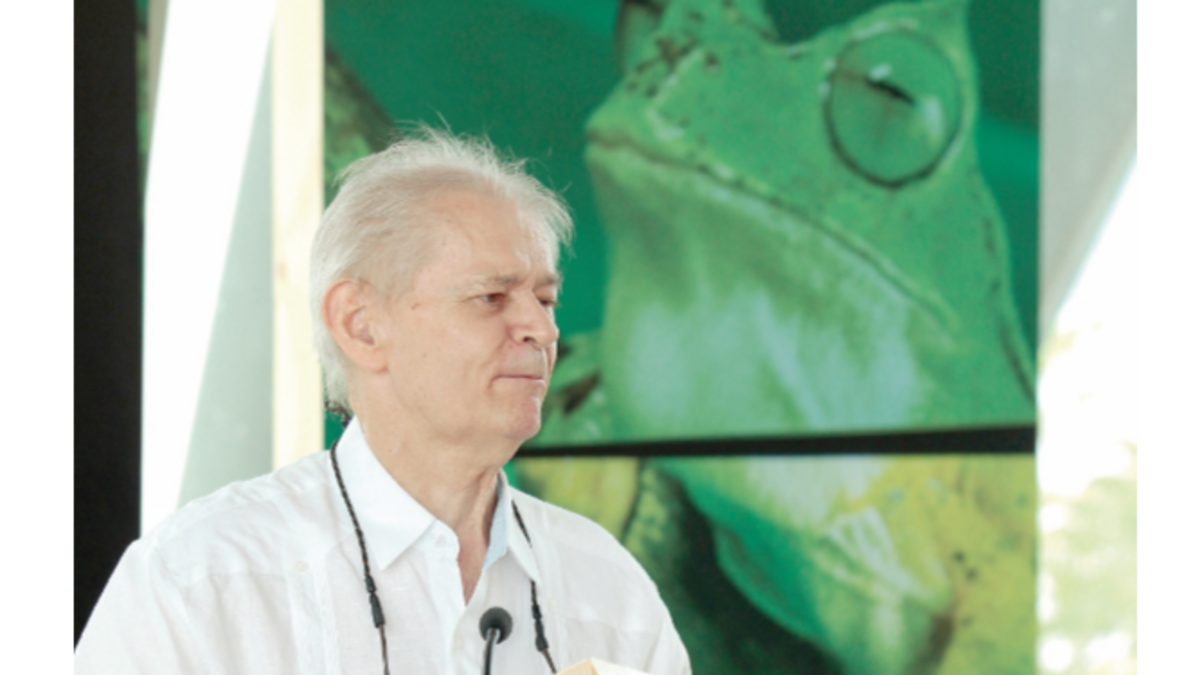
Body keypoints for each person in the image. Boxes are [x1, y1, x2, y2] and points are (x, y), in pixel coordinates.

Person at [72, 128, 691, 675]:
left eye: (546, 299)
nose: (541, 328)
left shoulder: (609, 589)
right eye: (492, 298)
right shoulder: (201, 580)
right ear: (360, 324)